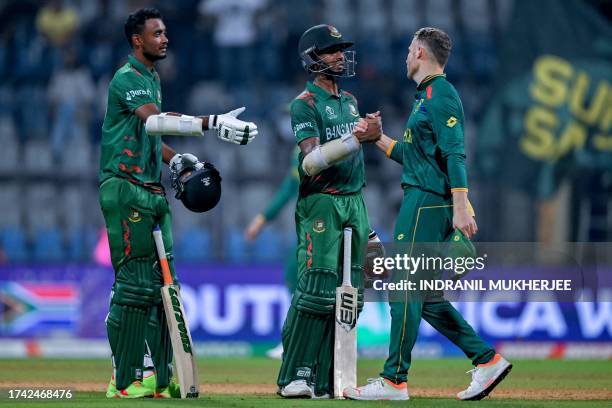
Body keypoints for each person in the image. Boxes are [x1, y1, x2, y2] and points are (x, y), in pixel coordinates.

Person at [344, 27, 512, 401]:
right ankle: (486, 361)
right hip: (425, 198)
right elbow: (414, 156)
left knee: (403, 289)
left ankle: (393, 380)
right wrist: (377, 138)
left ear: (419, 52)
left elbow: (456, 153)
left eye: (408, 50)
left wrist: (460, 207)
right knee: (425, 296)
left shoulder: (440, 95)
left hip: (427, 204)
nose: (405, 57)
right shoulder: (426, 98)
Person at [99, 8, 257, 398]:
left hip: (152, 188)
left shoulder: (151, 78)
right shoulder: (127, 79)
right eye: (157, 33)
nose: (165, 38)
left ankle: (162, 376)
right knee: (136, 284)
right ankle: (125, 381)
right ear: (138, 40)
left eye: (166, 31)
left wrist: (177, 159)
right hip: (125, 186)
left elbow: (150, 135)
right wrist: (210, 122)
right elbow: (153, 122)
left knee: (164, 287)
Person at [276, 24, 379, 399]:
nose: (339, 55)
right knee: (318, 289)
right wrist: (356, 138)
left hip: (354, 199)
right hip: (321, 200)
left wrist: (370, 133)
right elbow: (311, 162)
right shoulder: (304, 103)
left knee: (353, 291)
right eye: (331, 50)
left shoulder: (349, 101)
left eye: (341, 49)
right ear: (312, 58)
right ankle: (294, 376)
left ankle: (326, 375)